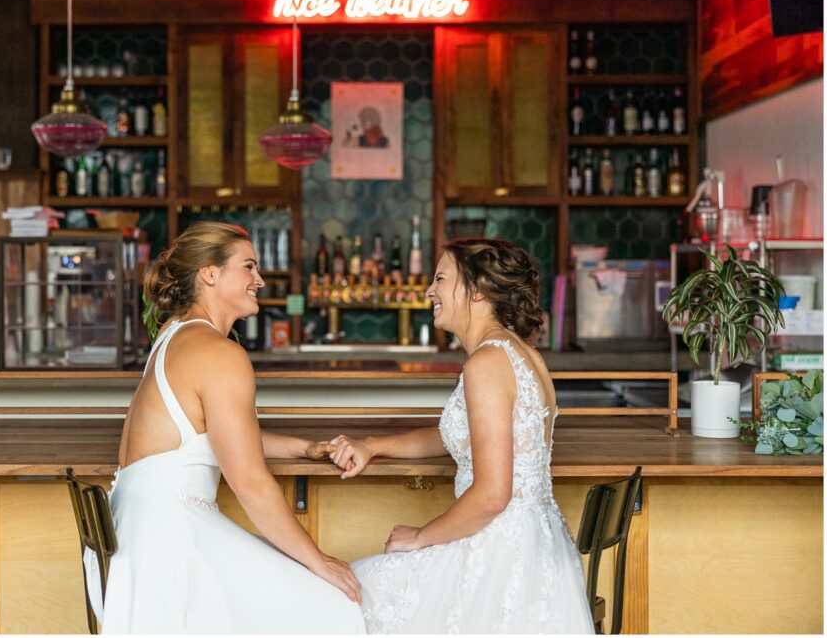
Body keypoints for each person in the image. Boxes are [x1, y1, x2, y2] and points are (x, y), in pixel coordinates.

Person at [91, 221, 365, 633]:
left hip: (139, 535)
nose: (260, 279)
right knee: (334, 607)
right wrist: (318, 560)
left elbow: (211, 435)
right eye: (249, 267)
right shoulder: (220, 354)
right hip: (174, 546)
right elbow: (250, 483)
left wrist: (302, 447)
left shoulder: (173, 334)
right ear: (210, 274)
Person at [327, 238, 594, 634]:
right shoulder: (522, 354)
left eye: (440, 279)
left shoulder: (486, 363)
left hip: (494, 554)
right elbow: (460, 436)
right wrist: (372, 445)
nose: (429, 291)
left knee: (344, 597)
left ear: (478, 288)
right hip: (533, 546)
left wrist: (420, 537)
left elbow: (491, 495)